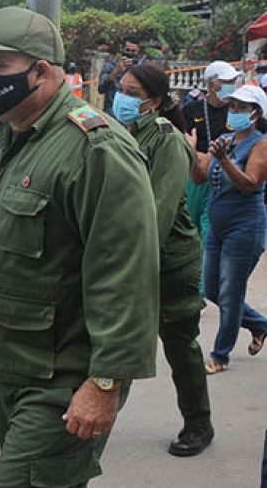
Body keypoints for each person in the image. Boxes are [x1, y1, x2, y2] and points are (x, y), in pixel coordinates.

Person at [0, 6, 160, 486]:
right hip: (14, 366)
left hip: (63, 379)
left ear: (41, 71)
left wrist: (105, 382)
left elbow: (125, 272)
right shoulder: (11, 136)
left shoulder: (96, 149)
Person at [111, 63, 214, 456]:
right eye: (120, 89)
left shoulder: (168, 141)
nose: (122, 98)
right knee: (119, 341)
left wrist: (123, 267)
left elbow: (158, 211)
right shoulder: (119, 135)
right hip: (129, 255)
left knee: (179, 345)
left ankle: (199, 424)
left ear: (153, 102)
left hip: (168, 261)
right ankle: (97, 420)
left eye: (132, 93)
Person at [188, 84, 267, 374]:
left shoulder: (261, 144)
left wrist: (223, 160)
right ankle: (260, 325)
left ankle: (220, 355)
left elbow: (249, 184)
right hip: (218, 226)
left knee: (231, 294)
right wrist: (190, 151)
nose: (232, 112)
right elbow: (198, 178)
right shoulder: (223, 139)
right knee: (211, 289)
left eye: (240, 108)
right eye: (231, 106)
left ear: (256, 113)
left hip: (245, 227)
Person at [184, 61, 245, 293]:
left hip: (224, 178)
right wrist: (201, 157)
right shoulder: (191, 110)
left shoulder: (239, 111)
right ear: (212, 85)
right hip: (194, 176)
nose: (231, 86)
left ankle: (202, 289)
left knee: (210, 232)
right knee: (190, 230)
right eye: (226, 82)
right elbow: (184, 140)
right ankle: (189, 281)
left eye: (232, 82)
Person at [98, 35, 144, 114]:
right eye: (127, 50)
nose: (130, 53)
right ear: (122, 49)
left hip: (133, 113)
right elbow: (101, 89)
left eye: (133, 51)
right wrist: (116, 71)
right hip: (112, 112)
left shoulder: (143, 68)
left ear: (138, 51)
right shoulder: (110, 65)